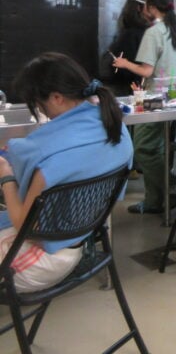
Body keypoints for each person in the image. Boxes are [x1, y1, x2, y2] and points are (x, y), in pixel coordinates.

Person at [0, 52, 132, 292]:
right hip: (81, 237)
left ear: (57, 98)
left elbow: (22, 224)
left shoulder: (46, 155)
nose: (43, 113)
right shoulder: (116, 128)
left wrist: (6, 175)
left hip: (45, 261)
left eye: (40, 105)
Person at [113, 0, 176, 214]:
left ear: (151, 7)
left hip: (155, 100)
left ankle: (164, 195)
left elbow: (146, 70)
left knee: (144, 148)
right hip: (174, 96)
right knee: (159, 148)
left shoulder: (153, 32)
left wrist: (124, 64)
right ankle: (156, 200)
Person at [106, 0, 151, 96]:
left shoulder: (127, 33)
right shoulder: (134, 35)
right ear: (139, 8)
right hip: (130, 92)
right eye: (151, 7)